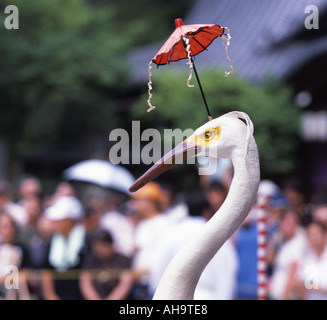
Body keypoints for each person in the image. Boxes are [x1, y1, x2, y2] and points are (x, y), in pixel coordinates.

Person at [40, 194, 86, 300]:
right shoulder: (51, 241)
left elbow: (88, 274)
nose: (55, 222)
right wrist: (50, 295)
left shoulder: (86, 241)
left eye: (59, 219)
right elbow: (46, 271)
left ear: (70, 220)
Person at [130, 182, 171, 299]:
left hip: (157, 286)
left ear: (150, 203)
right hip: (141, 286)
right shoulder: (142, 225)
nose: (136, 205)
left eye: (139, 201)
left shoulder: (165, 224)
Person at [80, 229, 133, 300]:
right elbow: (85, 283)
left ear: (111, 245)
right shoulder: (91, 260)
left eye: (103, 245)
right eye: (96, 246)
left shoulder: (123, 260)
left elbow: (125, 284)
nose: (99, 249)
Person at [268, 209, 307, 300]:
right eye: (286, 222)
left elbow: (293, 273)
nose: (289, 225)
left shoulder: (298, 243)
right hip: (277, 293)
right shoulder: (284, 242)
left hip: (286, 296)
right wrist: (273, 240)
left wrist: (284, 296)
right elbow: (269, 260)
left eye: (292, 222)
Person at [293, 221, 327, 300]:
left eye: (317, 233)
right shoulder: (306, 258)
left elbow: (308, 285)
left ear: (324, 235)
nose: (314, 237)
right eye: (311, 234)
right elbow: (299, 283)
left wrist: (315, 287)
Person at [0, 213, 31, 299]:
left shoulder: (21, 248)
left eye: (5, 227)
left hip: (14, 293)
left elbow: (27, 274)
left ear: (13, 228)